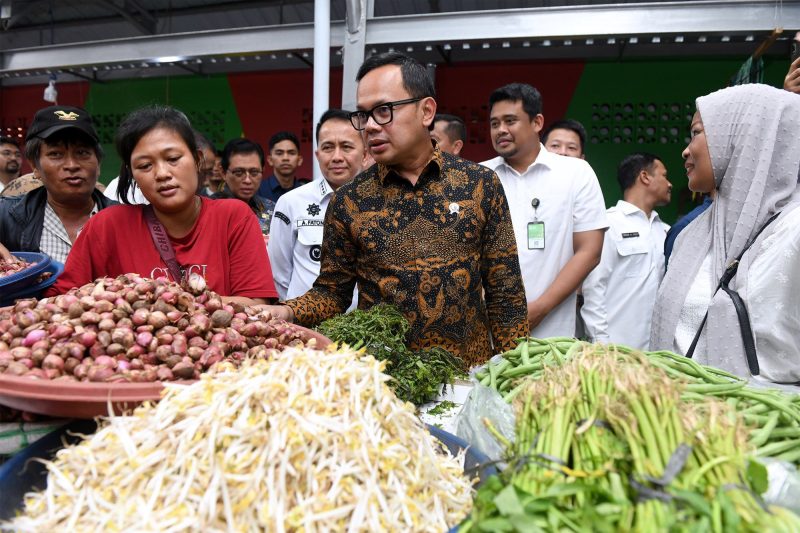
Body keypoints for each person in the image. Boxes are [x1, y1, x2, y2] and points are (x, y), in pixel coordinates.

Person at [261, 52, 527, 366]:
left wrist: (514, 371)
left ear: (426, 110)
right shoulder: (349, 202)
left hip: (467, 375)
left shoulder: (480, 185)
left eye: (384, 111)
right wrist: (287, 311)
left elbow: (505, 292)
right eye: (363, 114)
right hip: (383, 379)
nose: (370, 126)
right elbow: (332, 294)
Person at [48, 105, 278, 305]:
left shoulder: (233, 217)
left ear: (197, 159)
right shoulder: (107, 226)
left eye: (173, 159)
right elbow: (64, 300)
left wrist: (151, 304)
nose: (162, 173)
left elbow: (255, 304)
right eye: (145, 165)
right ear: (132, 175)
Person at [651, 84, 800, 386]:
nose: (685, 149)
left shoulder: (792, 232)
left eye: (696, 132)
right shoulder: (691, 234)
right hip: (672, 421)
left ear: (747, 137)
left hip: (758, 425)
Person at [481, 83, 607, 338]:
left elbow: (590, 251)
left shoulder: (575, 173)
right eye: (494, 123)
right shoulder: (477, 177)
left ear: (537, 122)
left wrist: (539, 309)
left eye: (510, 120)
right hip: (485, 334)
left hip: (552, 338)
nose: (501, 130)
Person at [268, 109, 367, 300]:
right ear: (317, 154)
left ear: (365, 154)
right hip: (304, 325)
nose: (336, 156)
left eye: (346, 147)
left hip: (365, 327)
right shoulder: (291, 203)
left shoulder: (381, 203)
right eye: (328, 147)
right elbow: (279, 276)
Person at [0, 105, 115, 264]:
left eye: (82, 153)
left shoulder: (127, 220)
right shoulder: (7, 216)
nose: (72, 165)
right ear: (35, 166)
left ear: (99, 163)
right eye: (56, 154)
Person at [581, 153, 671, 349]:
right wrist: (601, 347)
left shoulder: (666, 231)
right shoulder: (608, 224)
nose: (670, 184)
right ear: (645, 177)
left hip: (659, 356)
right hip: (615, 352)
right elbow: (594, 288)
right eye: (664, 176)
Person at [213, 138, 275, 235]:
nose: (247, 180)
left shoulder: (271, 209)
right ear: (223, 173)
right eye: (239, 172)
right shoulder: (208, 211)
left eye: (254, 172)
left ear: (263, 171)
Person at [258, 131, 304, 203]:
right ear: (270, 160)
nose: (285, 158)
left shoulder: (306, 192)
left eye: (291, 153)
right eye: (279, 153)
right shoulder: (258, 190)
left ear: (299, 160)